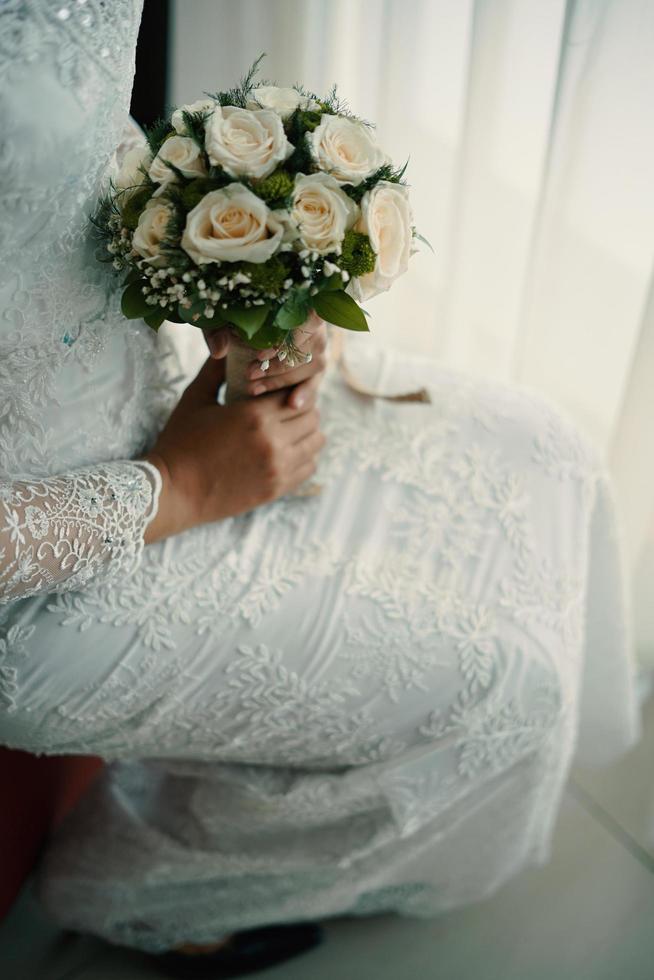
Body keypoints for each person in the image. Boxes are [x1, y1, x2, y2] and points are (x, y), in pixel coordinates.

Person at [0, 1, 638, 976]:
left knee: (542, 451)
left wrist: (231, 287)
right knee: (511, 671)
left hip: (166, 391)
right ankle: (138, 894)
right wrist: (171, 486)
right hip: (50, 569)